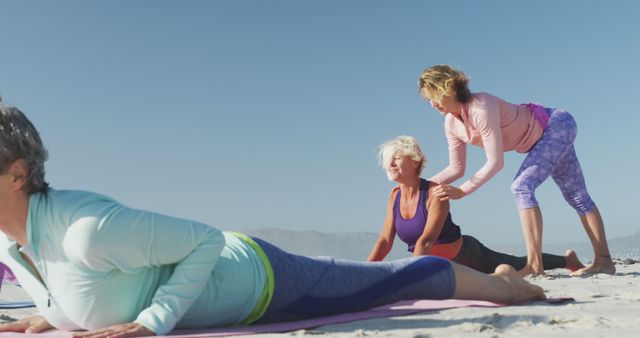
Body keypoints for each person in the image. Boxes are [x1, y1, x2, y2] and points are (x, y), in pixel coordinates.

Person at [0, 101, 545, 337]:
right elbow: (85, 287)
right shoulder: (12, 243)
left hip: (258, 278)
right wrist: (61, 310)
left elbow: (205, 242)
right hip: (245, 278)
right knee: (383, 280)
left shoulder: (86, 228)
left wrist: (153, 321)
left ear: (18, 173)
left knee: (392, 282)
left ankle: (511, 288)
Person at [417, 65, 615, 276]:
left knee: (522, 187)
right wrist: (420, 187)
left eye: (435, 96)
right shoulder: (451, 124)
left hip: (556, 125)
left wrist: (463, 191)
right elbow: (456, 167)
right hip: (542, 139)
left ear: (451, 89)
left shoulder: (481, 108)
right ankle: (605, 262)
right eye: (428, 99)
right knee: (577, 196)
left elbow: (495, 161)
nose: (432, 104)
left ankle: (535, 265)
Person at [368, 136, 584, 274]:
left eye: (397, 157)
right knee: (515, 263)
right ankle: (566, 260)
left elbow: (426, 240)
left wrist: (410, 277)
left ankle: (568, 261)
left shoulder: (435, 192)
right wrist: (365, 271)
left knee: (516, 264)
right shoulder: (394, 195)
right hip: (436, 265)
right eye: (389, 159)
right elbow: (385, 240)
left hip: (466, 256)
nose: (391, 163)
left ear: (414, 161)